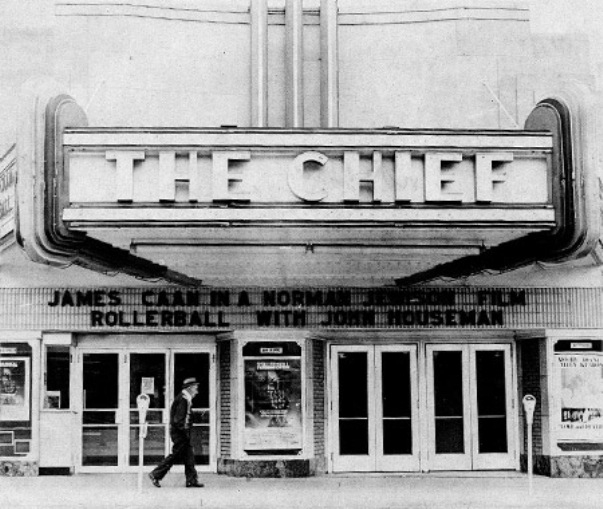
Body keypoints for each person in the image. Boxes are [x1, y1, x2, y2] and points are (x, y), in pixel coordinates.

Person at [148, 377, 204, 488]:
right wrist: (184, 432)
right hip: (180, 433)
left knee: (189, 457)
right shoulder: (183, 399)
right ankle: (156, 474)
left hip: (181, 432)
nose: (197, 391)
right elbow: (179, 420)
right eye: (195, 388)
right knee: (175, 455)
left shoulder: (185, 398)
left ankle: (191, 480)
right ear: (190, 388)